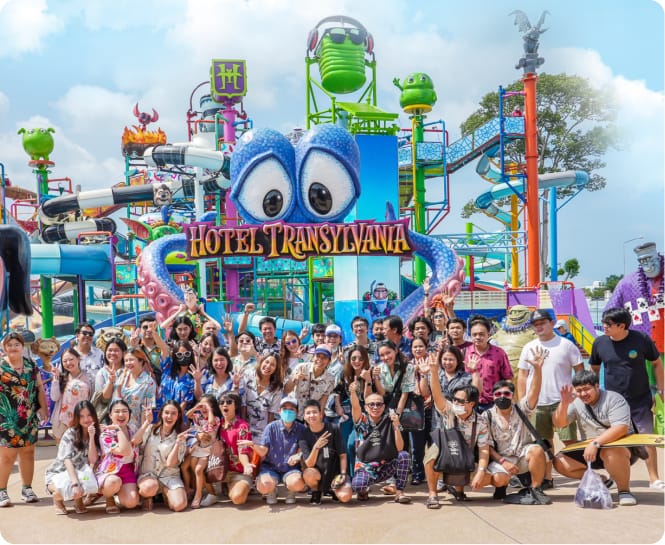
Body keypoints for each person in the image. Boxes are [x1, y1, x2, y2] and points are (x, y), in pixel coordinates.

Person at [590, 307, 664, 489]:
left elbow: (656, 363)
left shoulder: (641, 339)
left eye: (608, 324)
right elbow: (595, 368)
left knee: (646, 439)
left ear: (621, 325)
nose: (604, 327)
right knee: (614, 441)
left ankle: (654, 478)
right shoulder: (600, 343)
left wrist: (661, 389)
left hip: (640, 398)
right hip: (613, 403)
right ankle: (615, 476)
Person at [517, 309, 583, 488]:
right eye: (535, 324)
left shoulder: (566, 345)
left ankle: (583, 473)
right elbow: (522, 375)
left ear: (552, 323)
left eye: (542, 323)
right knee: (544, 442)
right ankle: (547, 477)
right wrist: (523, 400)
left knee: (570, 440)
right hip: (537, 403)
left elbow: (579, 371)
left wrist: (577, 394)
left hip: (563, 402)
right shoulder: (529, 347)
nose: (539, 327)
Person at [552, 370, 639, 506]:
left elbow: (621, 427)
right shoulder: (576, 402)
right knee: (559, 461)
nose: (583, 394)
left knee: (611, 451)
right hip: (591, 448)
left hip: (619, 447)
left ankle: (624, 491)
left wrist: (596, 443)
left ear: (597, 386)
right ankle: (601, 480)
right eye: (579, 390)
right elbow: (559, 423)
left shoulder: (614, 399)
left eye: (587, 389)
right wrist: (564, 404)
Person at [483, 348, 551, 505]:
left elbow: (534, 391)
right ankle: (502, 486)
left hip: (522, 456)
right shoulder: (486, 416)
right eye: (498, 394)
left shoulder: (522, 409)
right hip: (502, 459)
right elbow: (485, 445)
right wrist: (502, 462)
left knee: (537, 450)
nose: (502, 397)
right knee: (499, 479)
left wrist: (537, 369)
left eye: (506, 394)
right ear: (493, 396)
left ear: (512, 396)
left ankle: (536, 488)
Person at [423, 353, 489, 508]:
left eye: (461, 401)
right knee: (431, 455)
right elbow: (437, 395)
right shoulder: (449, 410)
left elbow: (484, 449)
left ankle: (458, 489)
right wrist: (433, 372)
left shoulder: (481, 421)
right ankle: (433, 493)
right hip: (447, 450)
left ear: (472, 404)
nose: (456, 403)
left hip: (465, 457)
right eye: (455, 400)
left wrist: (480, 471)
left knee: (497, 478)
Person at [0, 332, 48, 507]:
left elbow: (39, 388)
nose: (13, 347)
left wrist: (44, 407)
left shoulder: (30, 365)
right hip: (6, 419)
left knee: (28, 453)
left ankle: (27, 488)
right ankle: (2, 491)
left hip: (28, 417)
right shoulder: (1, 366)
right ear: (5, 347)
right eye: (10, 344)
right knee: (7, 456)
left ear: (22, 347)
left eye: (16, 344)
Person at [349, 384, 411, 503]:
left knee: (404, 456)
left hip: (385, 466)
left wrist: (397, 425)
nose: (375, 407)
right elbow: (355, 407)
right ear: (366, 407)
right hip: (366, 467)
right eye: (371, 404)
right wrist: (353, 392)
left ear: (384, 406)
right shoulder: (362, 421)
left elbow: (400, 448)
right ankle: (364, 490)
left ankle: (399, 492)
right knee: (358, 486)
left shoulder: (390, 420)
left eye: (379, 404)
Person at [244, 396, 307, 505]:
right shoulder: (271, 427)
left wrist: (297, 457)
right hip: (270, 467)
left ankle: (291, 491)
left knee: (297, 483)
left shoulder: (302, 429)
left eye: (291, 409)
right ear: (279, 411)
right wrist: (253, 445)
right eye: (284, 409)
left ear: (297, 412)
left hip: (291, 468)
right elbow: (263, 451)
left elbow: (302, 450)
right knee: (263, 486)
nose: (288, 412)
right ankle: (271, 490)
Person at [94, 399, 151, 513]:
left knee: (131, 503)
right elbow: (124, 451)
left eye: (125, 411)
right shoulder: (106, 434)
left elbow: (136, 441)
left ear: (129, 414)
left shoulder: (132, 428)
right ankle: (109, 498)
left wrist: (147, 422)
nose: (121, 414)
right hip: (110, 471)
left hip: (128, 469)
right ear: (110, 415)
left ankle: (118, 494)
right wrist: (118, 430)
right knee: (113, 483)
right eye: (117, 411)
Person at [44, 400, 100, 515]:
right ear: (77, 418)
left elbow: (93, 460)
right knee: (65, 489)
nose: (86, 419)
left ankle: (78, 500)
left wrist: (91, 436)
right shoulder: (70, 433)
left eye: (89, 415)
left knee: (90, 484)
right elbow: (67, 460)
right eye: (82, 416)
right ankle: (58, 500)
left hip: (80, 473)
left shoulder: (96, 433)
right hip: (60, 472)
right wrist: (75, 483)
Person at [137, 400, 188, 512]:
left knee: (179, 505)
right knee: (148, 488)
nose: (169, 416)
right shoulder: (150, 429)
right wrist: (146, 422)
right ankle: (148, 496)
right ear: (161, 414)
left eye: (173, 413)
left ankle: (165, 492)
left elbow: (170, 463)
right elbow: (135, 441)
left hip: (169, 476)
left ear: (178, 415)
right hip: (148, 475)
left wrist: (178, 443)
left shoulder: (180, 437)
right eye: (167, 412)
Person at [300, 399, 352, 504]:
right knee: (308, 473)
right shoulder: (303, 435)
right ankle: (316, 491)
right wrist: (316, 447)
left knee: (345, 497)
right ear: (304, 416)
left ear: (321, 414)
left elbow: (342, 455)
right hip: (317, 473)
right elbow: (309, 464)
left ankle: (333, 489)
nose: (311, 415)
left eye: (315, 412)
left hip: (335, 473)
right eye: (308, 413)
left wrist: (342, 474)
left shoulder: (333, 428)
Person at [464, 316, 513, 412]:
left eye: (481, 334)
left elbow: (508, 378)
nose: (478, 337)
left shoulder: (499, 353)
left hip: (493, 404)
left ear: (488, 334)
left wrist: (505, 399)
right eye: (474, 335)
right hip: (471, 403)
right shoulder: (465, 352)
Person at [184, 394, 222, 508]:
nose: (204, 408)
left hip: (208, 449)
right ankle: (210, 492)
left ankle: (198, 494)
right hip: (199, 447)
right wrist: (197, 407)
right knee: (193, 468)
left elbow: (210, 423)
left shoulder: (215, 418)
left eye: (208, 405)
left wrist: (209, 409)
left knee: (199, 470)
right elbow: (187, 415)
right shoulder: (198, 417)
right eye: (202, 405)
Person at [217, 391, 254, 505]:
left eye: (229, 402)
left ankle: (232, 486)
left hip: (238, 472)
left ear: (236, 405)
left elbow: (242, 450)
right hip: (218, 471)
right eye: (221, 402)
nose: (224, 405)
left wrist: (246, 465)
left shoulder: (242, 426)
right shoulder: (216, 425)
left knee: (238, 498)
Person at [50, 348, 92, 442]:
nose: (68, 363)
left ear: (78, 359)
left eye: (71, 359)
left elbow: (91, 398)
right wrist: (55, 379)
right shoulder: (62, 378)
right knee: (62, 454)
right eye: (65, 361)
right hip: (62, 423)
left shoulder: (88, 377)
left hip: (81, 423)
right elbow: (54, 397)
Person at [286, 346, 336, 420]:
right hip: (293, 413)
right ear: (313, 357)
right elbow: (286, 390)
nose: (320, 360)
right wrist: (295, 378)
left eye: (324, 358)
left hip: (311, 417)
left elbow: (323, 401)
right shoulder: (301, 368)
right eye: (318, 356)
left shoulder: (330, 379)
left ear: (329, 361)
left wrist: (319, 419)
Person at [241, 353, 284, 440]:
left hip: (262, 430)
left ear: (276, 369)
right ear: (261, 362)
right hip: (245, 425)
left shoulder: (277, 388)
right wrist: (243, 425)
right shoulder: (248, 375)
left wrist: (268, 434)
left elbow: (271, 412)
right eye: (266, 362)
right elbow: (243, 403)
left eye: (272, 365)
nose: (268, 366)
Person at [113, 348, 157, 431]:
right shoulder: (122, 376)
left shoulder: (148, 382)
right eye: (126, 360)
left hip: (134, 427)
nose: (128, 363)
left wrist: (142, 433)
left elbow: (147, 409)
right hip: (117, 424)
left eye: (131, 360)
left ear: (141, 361)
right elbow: (114, 401)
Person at [157, 341, 197, 418]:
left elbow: (184, 404)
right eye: (179, 354)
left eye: (187, 354)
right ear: (174, 355)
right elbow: (163, 348)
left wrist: (172, 418)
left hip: (177, 418)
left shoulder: (192, 378)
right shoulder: (167, 368)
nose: (183, 356)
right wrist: (153, 332)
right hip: (159, 414)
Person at [128, 316, 169, 385]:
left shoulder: (160, 348)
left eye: (152, 327)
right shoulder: (136, 348)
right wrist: (134, 347)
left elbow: (165, 351)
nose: (149, 330)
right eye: (145, 327)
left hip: (160, 387)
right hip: (141, 387)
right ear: (139, 330)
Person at [92, 337, 128, 417]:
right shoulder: (101, 373)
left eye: (116, 350)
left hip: (129, 414)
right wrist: (111, 381)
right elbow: (104, 399)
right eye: (110, 350)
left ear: (123, 353)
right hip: (108, 417)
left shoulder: (129, 370)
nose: (112, 353)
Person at [73, 323, 105, 389]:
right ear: (77, 335)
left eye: (90, 334)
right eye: (84, 333)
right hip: (76, 396)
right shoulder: (69, 355)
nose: (87, 335)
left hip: (96, 397)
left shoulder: (100, 354)